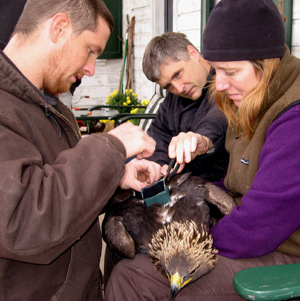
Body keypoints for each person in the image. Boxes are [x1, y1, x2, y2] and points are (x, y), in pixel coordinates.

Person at [104, 0, 300, 300]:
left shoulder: (292, 116)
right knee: (129, 263)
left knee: (143, 280)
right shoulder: (254, 96)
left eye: (230, 72)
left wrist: (186, 243)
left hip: (285, 250)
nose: (218, 84)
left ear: (267, 62)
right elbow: (233, 184)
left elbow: (262, 222)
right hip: (251, 231)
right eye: (217, 70)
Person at [0, 0, 162, 300]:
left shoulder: (52, 106)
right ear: (59, 28)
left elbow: (63, 196)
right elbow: (21, 221)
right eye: (90, 50)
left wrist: (116, 177)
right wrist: (110, 148)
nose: (90, 69)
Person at [142, 32, 228, 181]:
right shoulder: (172, 100)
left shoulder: (226, 84)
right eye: (168, 85)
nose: (179, 88)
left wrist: (201, 139)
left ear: (193, 53)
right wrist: (158, 166)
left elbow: (218, 119)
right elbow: (158, 137)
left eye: (177, 74)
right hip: (183, 182)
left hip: (221, 181)